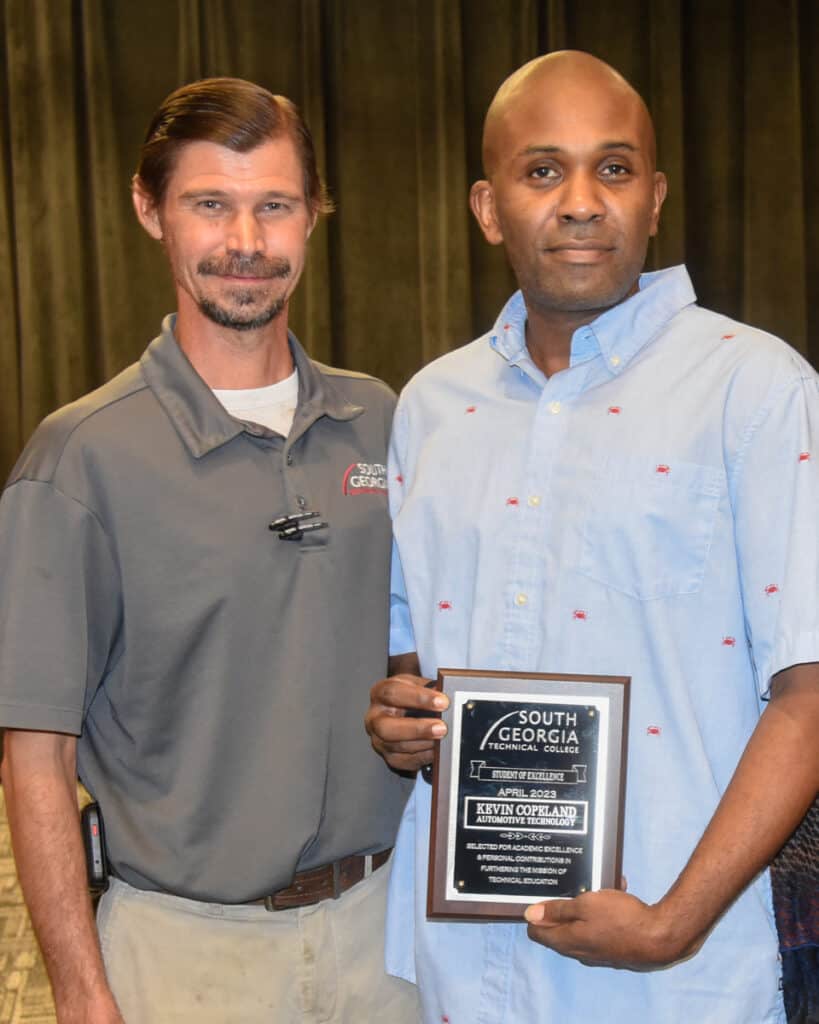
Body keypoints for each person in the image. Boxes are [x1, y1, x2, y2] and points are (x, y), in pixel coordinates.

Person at [365, 50, 819, 1024]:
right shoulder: (431, 408)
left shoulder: (759, 391)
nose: (580, 201)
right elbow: (415, 654)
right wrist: (406, 720)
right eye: (543, 171)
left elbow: (810, 693)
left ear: (654, 199)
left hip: (674, 979)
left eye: (612, 170)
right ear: (488, 209)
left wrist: (672, 923)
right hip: (465, 963)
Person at [0, 78, 416, 1023]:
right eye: (210, 205)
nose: (246, 242)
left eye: (274, 205)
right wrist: (79, 990)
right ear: (151, 210)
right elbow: (33, 755)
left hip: (385, 937)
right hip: (184, 957)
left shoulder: (384, 423)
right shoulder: (78, 461)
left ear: (313, 216)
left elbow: (417, 652)